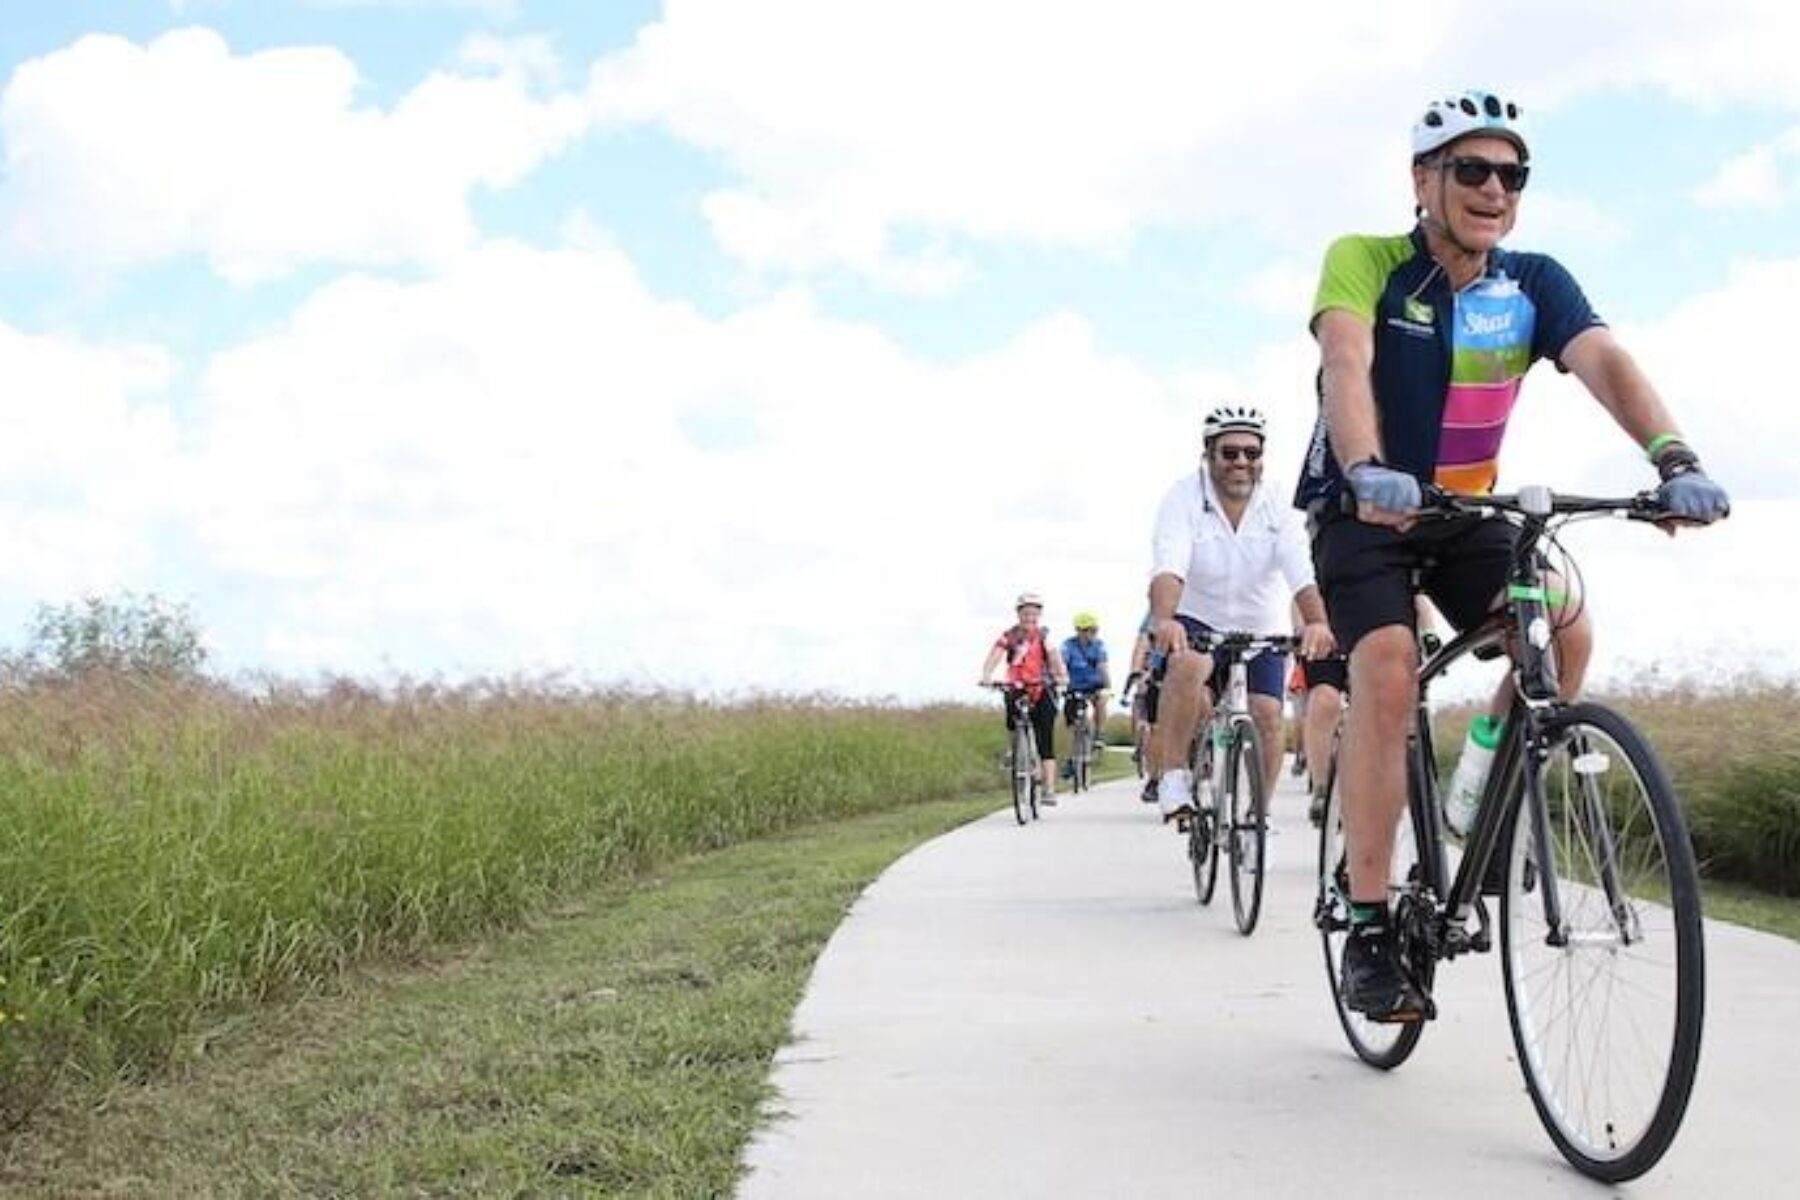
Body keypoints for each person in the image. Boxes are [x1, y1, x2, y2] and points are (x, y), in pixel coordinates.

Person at [1297, 89, 1731, 1021]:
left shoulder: (1534, 282)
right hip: (1362, 512)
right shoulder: (1369, 262)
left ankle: (1477, 792)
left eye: (1511, 174)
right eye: (1472, 170)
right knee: (1386, 669)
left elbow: (1606, 362)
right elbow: (1345, 359)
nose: (1495, 188)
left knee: (1563, 629)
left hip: (1463, 511)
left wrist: (1674, 458)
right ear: (1425, 181)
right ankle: (1370, 922)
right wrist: (1368, 466)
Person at [1147, 405, 1336, 828]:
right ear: (1208, 454)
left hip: (1260, 622)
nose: (1241, 463)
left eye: (1252, 454)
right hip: (1198, 615)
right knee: (1189, 664)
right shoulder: (1184, 497)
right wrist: (1164, 619)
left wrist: (1317, 622)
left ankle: (1258, 815)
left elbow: (1300, 571)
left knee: (1268, 713)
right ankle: (1175, 779)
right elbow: (1168, 565)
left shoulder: (1278, 504)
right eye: (1229, 453)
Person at [979, 592, 1071, 805]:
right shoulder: (1009, 636)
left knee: (1044, 739)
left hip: (1041, 686)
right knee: (1012, 717)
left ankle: (1048, 789)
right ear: (1018, 614)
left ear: (1039, 615)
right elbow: (995, 655)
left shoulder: (1044, 636)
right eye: (1025, 613)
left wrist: (1061, 677)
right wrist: (986, 675)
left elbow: (1055, 659)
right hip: (1017, 685)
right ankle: (1016, 748)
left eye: (1034, 613)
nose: (1029, 617)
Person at [1060, 611, 1112, 778]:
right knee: (1071, 724)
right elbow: (1061, 665)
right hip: (1073, 686)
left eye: (1092, 630)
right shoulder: (1068, 646)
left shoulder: (1099, 646)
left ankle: (1099, 735)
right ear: (1078, 630)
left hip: (1094, 685)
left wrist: (1108, 687)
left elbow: (1103, 667)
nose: (1089, 634)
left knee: (1101, 700)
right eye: (1085, 630)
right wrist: (1060, 683)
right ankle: (1070, 759)